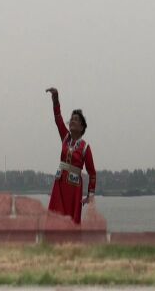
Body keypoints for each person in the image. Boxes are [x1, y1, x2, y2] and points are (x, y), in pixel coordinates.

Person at [45, 87, 96, 224]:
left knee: (71, 220)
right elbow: (58, 119)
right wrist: (55, 99)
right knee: (56, 216)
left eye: (76, 120)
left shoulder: (85, 147)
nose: (72, 121)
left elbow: (92, 173)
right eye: (71, 119)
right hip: (60, 183)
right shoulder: (65, 137)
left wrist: (90, 195)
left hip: (74, 188)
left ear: (82, 127)